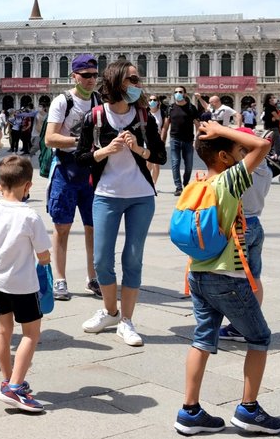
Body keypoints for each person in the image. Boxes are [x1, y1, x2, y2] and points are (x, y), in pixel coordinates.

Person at [174, 121, 280, 436]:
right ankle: (249, 410)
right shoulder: (229, 182)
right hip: (227, 277)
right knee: (260, 338)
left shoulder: (196, 183)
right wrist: (221, 126)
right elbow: (262, 147)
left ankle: (189, 411)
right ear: (224, 156)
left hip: (197, 273)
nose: (243, 154)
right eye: (238, 151)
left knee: (202, 338)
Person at [75, 61, 166, 346]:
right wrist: (105, 151)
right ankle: (110, 311)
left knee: (133, 258)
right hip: (106, 195)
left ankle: (126, 320)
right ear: (117, 82)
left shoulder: (143, 117)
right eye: (133, 79)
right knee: (101, 260)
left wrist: (139, 148)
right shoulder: (96, 117)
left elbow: (160, 156)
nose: (138, 83)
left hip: (140, 196)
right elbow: (80, 157)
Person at [0, 155, 52, 413]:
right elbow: (44, 256)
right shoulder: (30, 216)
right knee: (31, 334)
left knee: (4, 330)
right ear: (28, 186)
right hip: (24, 285)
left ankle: (8, 379)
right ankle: (15, 387)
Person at [44, 53, 102, 301]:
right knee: (62, 227)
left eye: (94, 75)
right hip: (67, 169)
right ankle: (60, 279)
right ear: (75, 75)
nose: (91, 80)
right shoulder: (62, 101)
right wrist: (81, 141)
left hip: (93, 170)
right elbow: (50, 138)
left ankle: (93, 277)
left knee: (93, 227)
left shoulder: (99, 100)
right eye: (86, 75)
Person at [220, 128, 273, 343]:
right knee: (254, 277)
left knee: (235, 280)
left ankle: (240, 327)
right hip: (256, 225)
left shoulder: (242, 171)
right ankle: (253, 319)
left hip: (239, 227)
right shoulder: (266, 170)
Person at [162, 86, 200, 196]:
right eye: (176, 92)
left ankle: (186, 183)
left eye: (180, 92)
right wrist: (162, 141)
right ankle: (178, 187)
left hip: (188, 140)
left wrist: (197, 140)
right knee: (175, 163)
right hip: (175, 139)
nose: (178, 93)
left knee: (188, 165)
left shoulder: (191, 108)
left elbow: (198, 125)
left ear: (184, 94)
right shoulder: (170, 108)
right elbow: (165, 126)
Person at [147, 94, 165, 187]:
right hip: (147, 139)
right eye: (150, 100)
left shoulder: (162, 113)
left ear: (158, 102)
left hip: (157, 139)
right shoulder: (146, 112)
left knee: (156, 163)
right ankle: (147, 181)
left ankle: (153, 184)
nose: (152, 101)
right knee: (148, 162)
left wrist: (162, 139)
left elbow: (165, 127)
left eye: (154, 100)